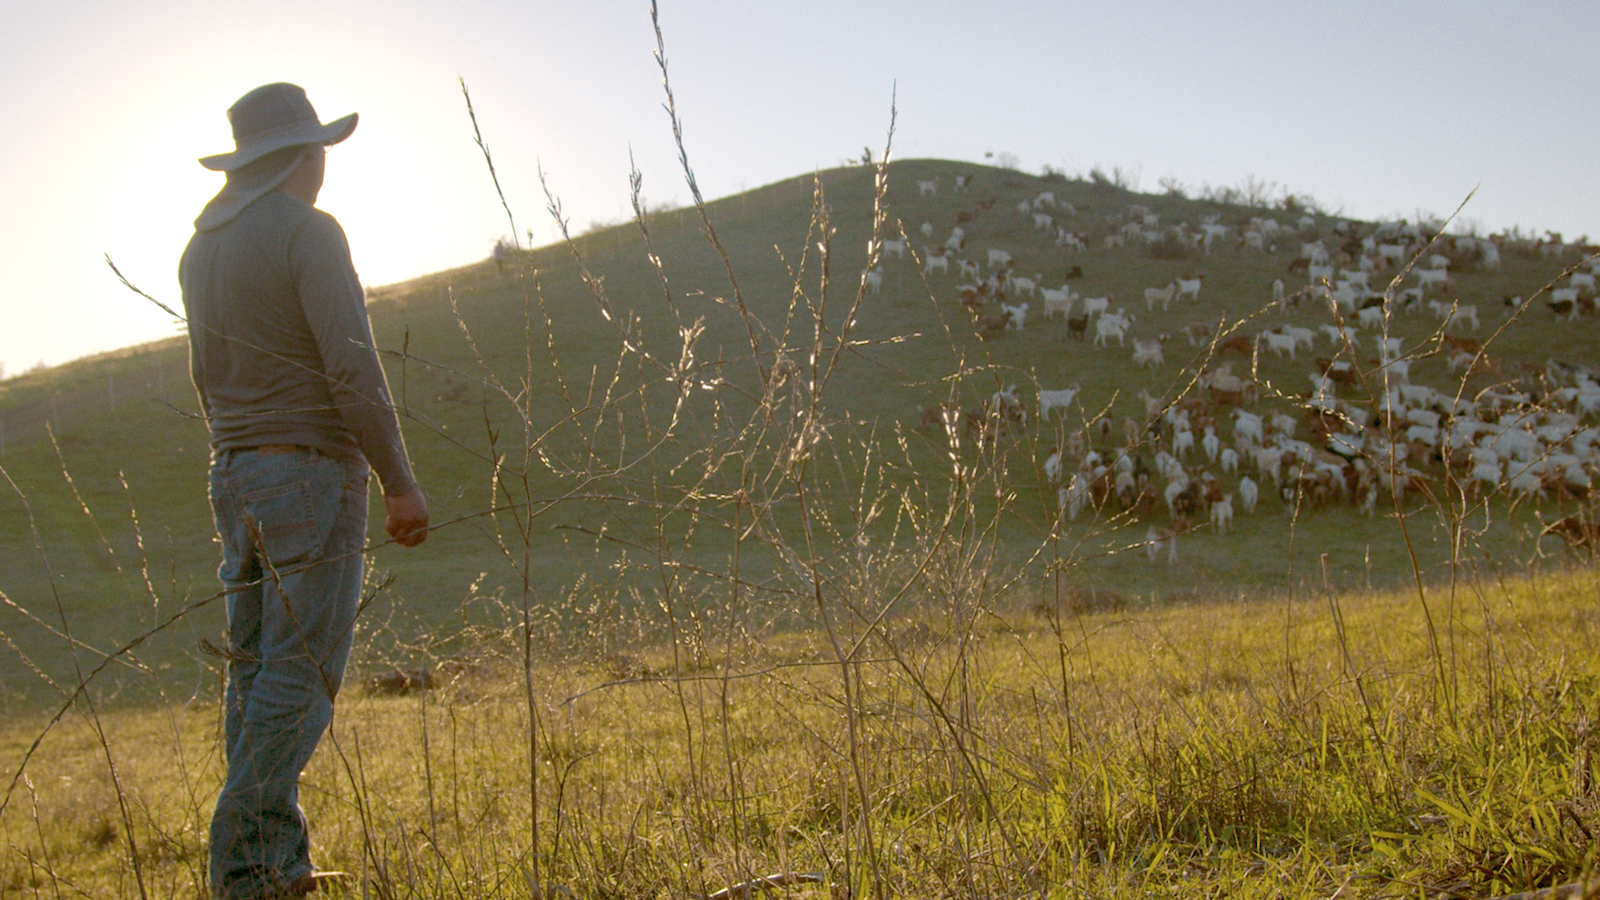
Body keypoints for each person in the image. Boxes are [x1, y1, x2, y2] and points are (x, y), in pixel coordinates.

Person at [180, 83, 429, 900]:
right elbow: (351, 367)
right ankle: (246, 864)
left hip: (234, 466)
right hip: (311, 471)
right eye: (320, 146)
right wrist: (398, 480)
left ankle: (269, 868)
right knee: (304, 671)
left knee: (254, 670)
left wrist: (236, 455)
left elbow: (204, 379)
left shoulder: (201, 249)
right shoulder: (309, 233)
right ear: (301, 155)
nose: (325, 161)